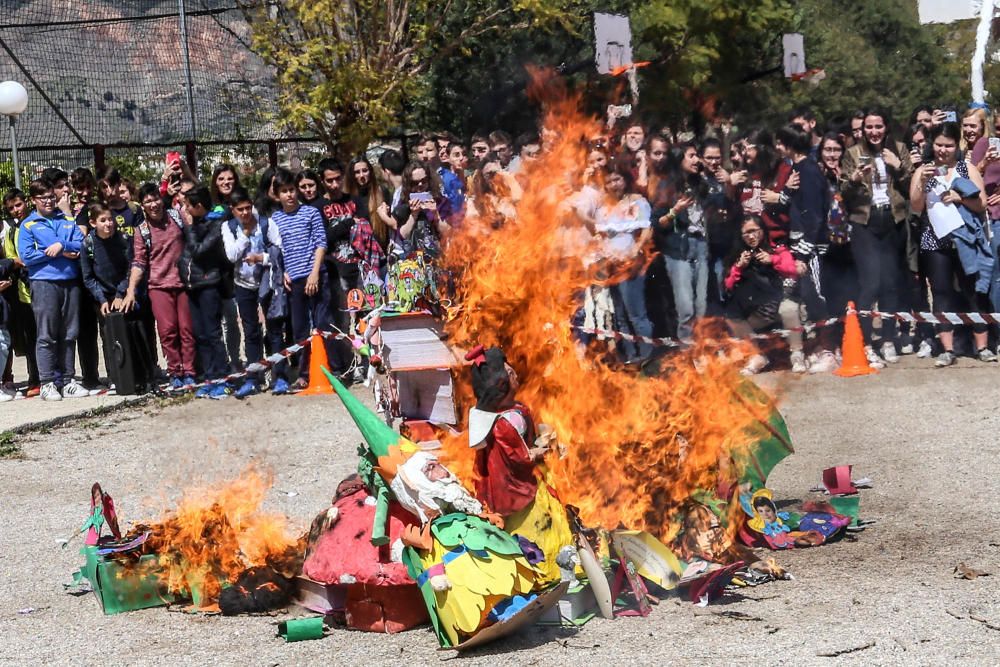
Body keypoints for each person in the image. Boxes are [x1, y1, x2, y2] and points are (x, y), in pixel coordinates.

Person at [465, 344, 573, 585]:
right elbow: (520, 457)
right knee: (536, 532)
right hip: (514, 488)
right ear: (501, 384)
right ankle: (544, 575)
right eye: (510, 373)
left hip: (528, 480)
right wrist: (542, 451)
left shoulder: (516, 410)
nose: (515, 374)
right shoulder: (502, 422)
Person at [908, 122, 994, 367]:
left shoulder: (966, 169)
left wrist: (961, 198)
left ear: (957, 146)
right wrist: (922, 183)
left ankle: (983, 346)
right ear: (931, 145)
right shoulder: (923, 170)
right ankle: (947, 348)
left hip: (965, 239)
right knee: (941, 292)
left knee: (974, 291)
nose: (943, 150)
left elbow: (981, 204)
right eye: (938, 145)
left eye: (949, 145)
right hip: (934, 239)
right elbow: (916, 206)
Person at [840, 108, 914, 366]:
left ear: (886, 127)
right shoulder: (852, 153)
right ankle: (865, 342)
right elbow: (844, 192)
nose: (874, 132)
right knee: (870, 283)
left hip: (893, 219)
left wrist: (899, 167)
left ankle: (888, 339)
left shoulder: (899, 149)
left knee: (891, 284)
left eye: (878, 126)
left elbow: (911, 188)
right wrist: (854, 179)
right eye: (869, 127)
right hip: (865, 222)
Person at [270, 167, 344, 389]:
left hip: (315, 276)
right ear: (278, 195)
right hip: (294, 280)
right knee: (300, 328)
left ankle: (335, 369)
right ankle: (304, 372)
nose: (289, 195)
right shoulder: (276, 219)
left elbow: (321, 243)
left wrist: (314, 273)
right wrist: (282, 271)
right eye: (284, 191)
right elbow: (276, 249)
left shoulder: (310, 213)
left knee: (323, 322)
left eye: (292, 190)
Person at [17, 179, 89, 400]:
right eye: (43, 198)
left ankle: (68, 380)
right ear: (34, 200)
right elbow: (27, 257)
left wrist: (63, 245)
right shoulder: (28, 225)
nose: (48, 201)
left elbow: (81, 243)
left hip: (70, 282)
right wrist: (58, 251)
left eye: (51, 197)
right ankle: (47, 382)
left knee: (69, 333)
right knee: (46, 334)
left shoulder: (66, 220)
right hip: (44, 283)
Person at [126, 183, 196, 389]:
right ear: (142, 205)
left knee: (187, 329)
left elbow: (192, 234)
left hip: (184, 283)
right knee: (167, 331)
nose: (153, 204)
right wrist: (131, 289)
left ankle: (190, 371)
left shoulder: (176, 217)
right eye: (147, 201)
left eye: (155, 198)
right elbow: (139, 262)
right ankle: (175, 372)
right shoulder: (142, 231)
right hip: (158, 286)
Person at [221, 187, 288, 397]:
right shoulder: (228, 227)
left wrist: (261, 258)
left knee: (275, 328)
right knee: (251, 331)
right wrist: (246, 235)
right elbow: (231, 255)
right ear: (232, 209)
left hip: (267, 283)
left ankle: (281, 377)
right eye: (240, 209)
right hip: (243, 284)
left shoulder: (266, 223)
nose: (245, 213)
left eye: (248, 208)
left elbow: (279, 250)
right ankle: (253, 378)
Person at [723, 215, 804, 375]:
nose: (751, 236)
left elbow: (793, 269)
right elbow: (728, 286)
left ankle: (797, 354)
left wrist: (772, 260)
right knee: (732, 317)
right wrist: (739, 267)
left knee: (789, 309)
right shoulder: (738, 254)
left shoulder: (777, 249)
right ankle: (756, 356)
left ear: (762, 230)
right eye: (746, 233)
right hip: (753, 309)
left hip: (778, 302)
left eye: (754, 231)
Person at [594, 161, 655, 363]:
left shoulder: (637, 202)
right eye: (609, 181)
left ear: (625, 179)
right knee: (619, 313)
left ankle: (645, 354)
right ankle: (630, 355)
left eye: (617, 179)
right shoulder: (603, 209)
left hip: (632, 265)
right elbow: (600, 236)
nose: (613, 184)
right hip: (612, 265)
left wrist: (635, 250)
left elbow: (646, 230)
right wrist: (607, 253)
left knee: (636, 312)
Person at [651, 143, 712, 342]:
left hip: (701, 246)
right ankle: (687, 354)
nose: (697, 160)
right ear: (679, 159)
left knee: (702, 306)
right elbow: (658, 223)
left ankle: (701, 349)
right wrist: (674, 211)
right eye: (692, 156)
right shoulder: (666, 186)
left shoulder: (701, 184)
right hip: (678, 250)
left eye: (698, 156)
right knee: (686, 308)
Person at [178, 186, 232, 398]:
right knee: (200, 334)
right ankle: (209, 378)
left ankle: (222, 378)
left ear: (198, 206)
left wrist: (190, 228)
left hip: (209, 285)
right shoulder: (199, 222)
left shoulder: (215, 224)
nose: (185, 210)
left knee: (213, 334)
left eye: (188, 206)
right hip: (192, 286)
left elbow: (199, 251)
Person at [2, 189, 40, 395]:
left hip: (45, 285)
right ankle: (35, 379)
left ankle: (56, 376)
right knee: (31, 338)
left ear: (26, 202)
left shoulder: (38, 222)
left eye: (18, 205)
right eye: (11, 208)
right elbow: (11, 258)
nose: (16, 210)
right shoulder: (11, 231)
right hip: (24, 293)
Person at [390, 161, 451, 259]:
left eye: (424, 180)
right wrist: (413, 215)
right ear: (409, 184)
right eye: (415, 182)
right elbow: (403, 236)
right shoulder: (404, 205)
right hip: (413, 260)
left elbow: (448, 232)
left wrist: (436, 214)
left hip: (438, 257)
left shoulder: (441, 201)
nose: (420, 184)